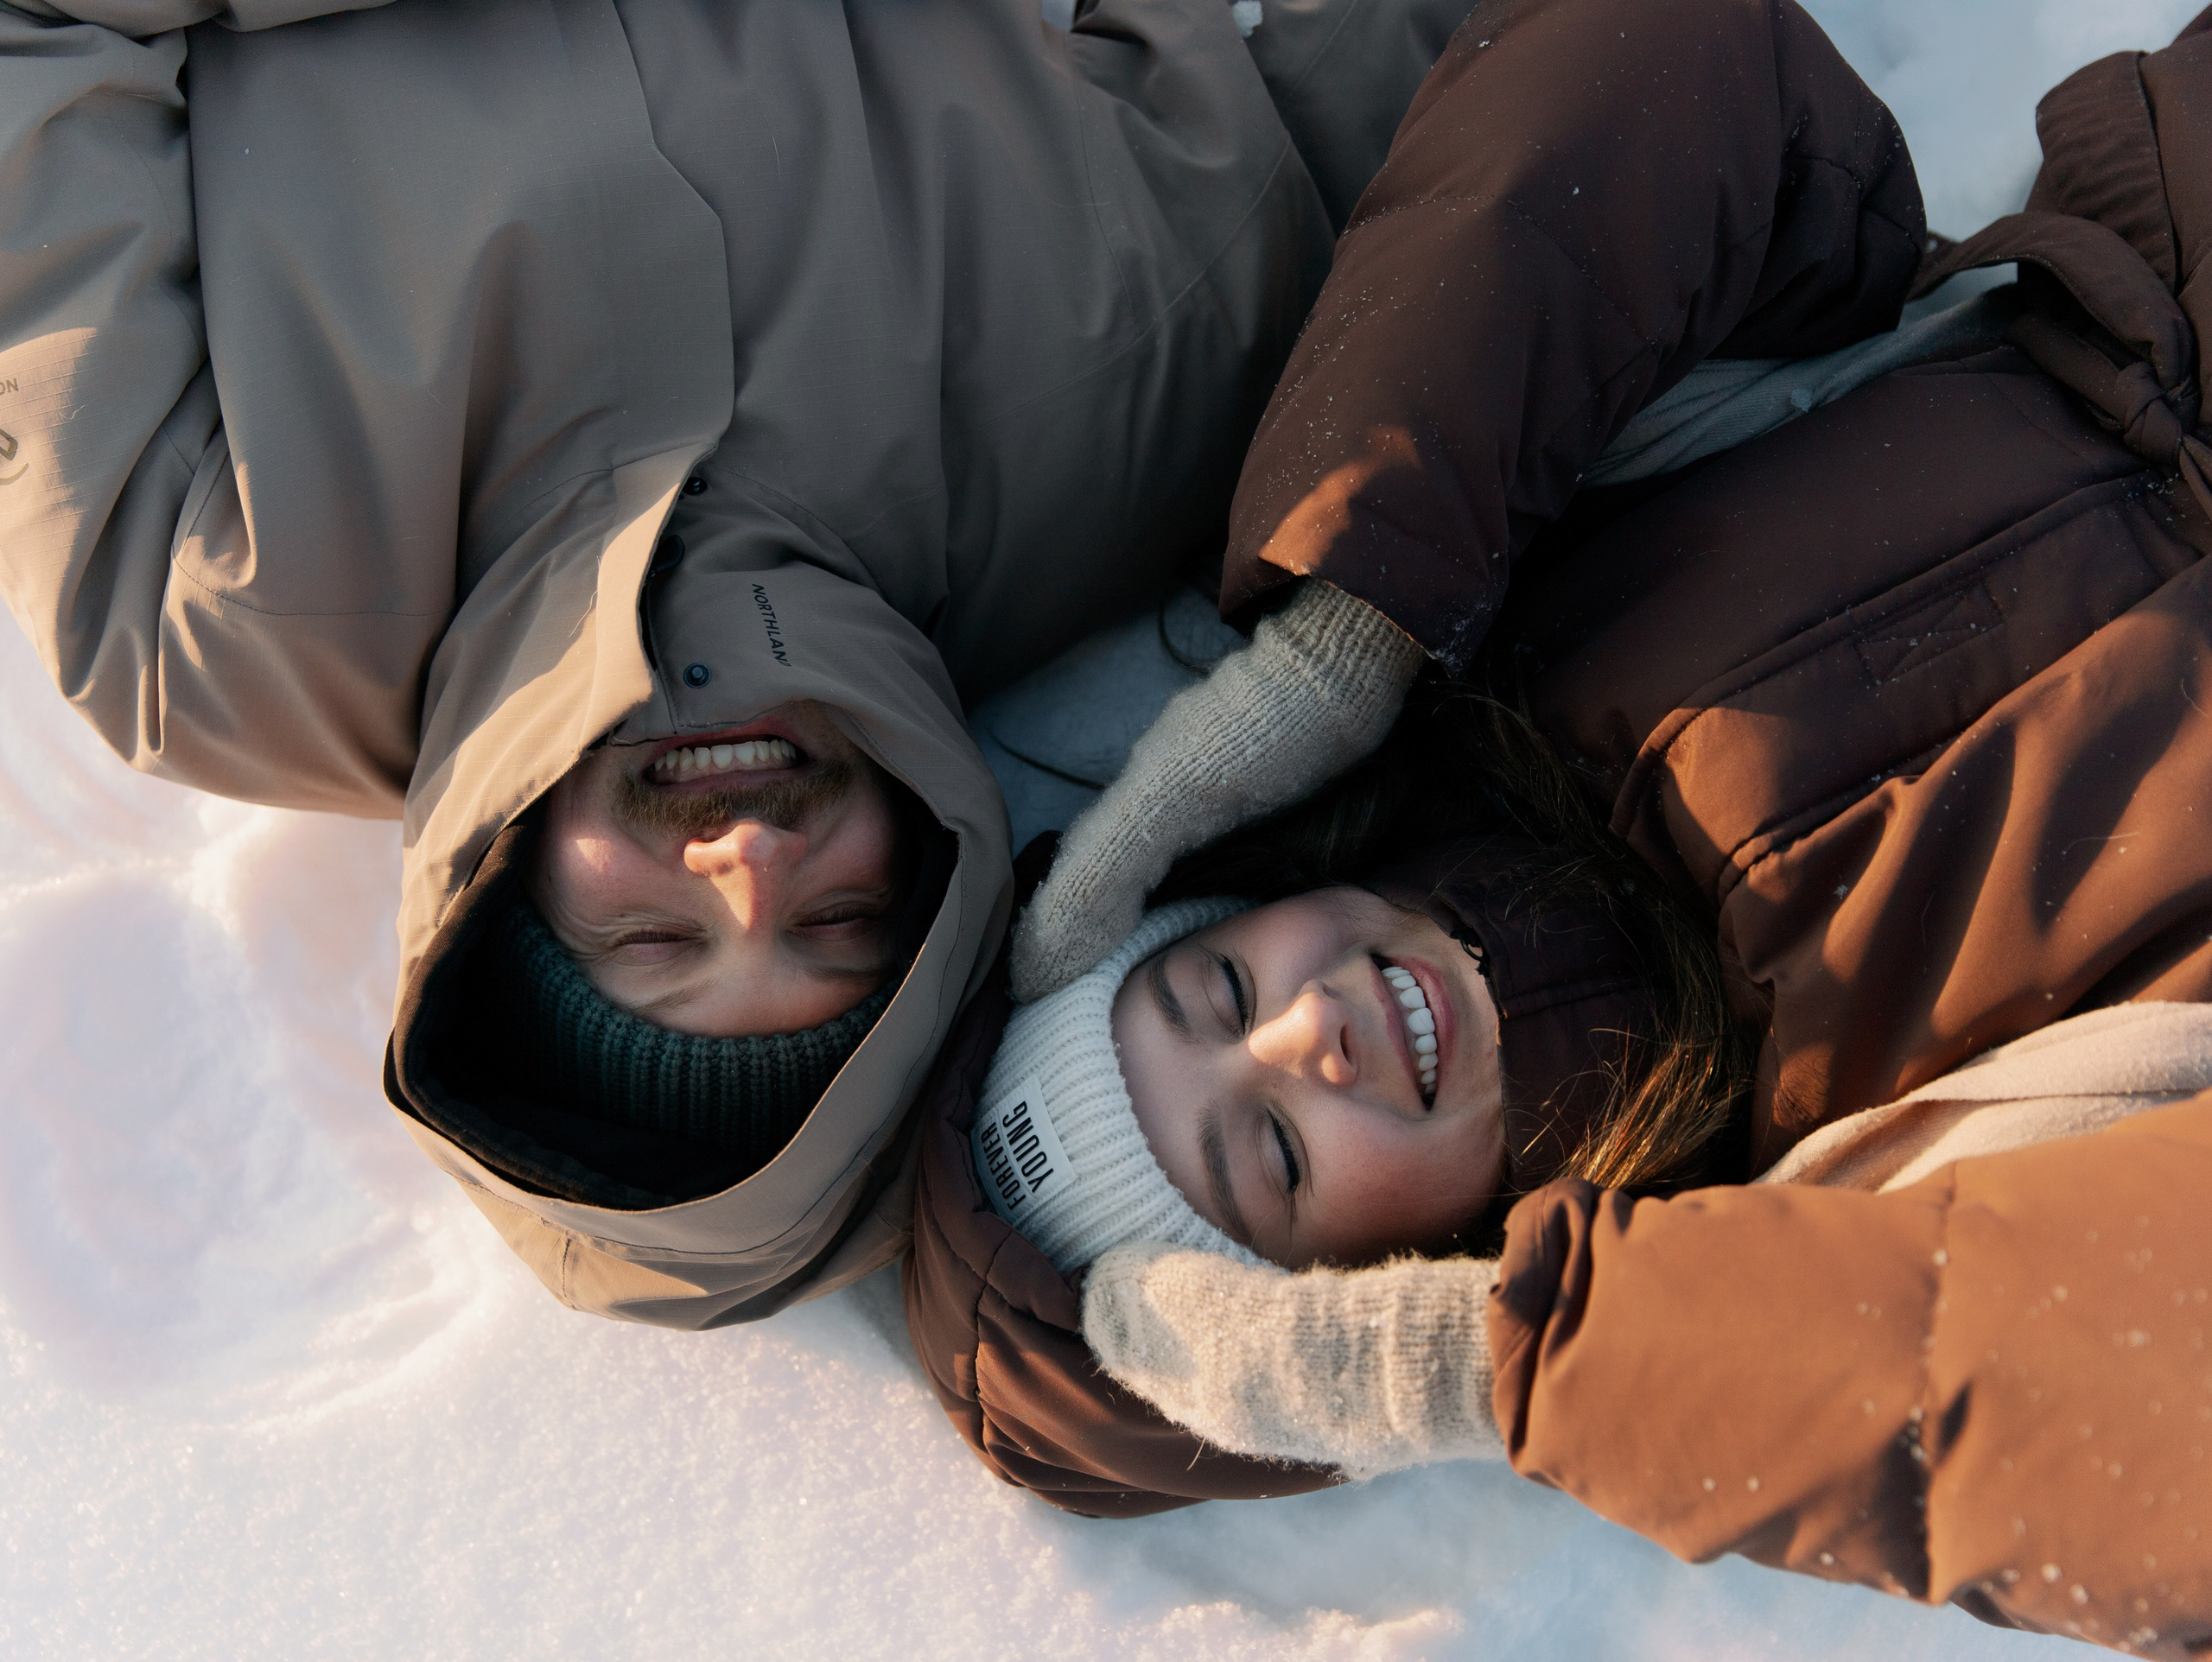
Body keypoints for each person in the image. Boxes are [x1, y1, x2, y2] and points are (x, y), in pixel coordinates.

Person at [908, 0, 2212, 1646]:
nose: (1309, 1030)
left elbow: (1671, 66)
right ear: (1370, 1300)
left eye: (1217, 988)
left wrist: (1351, 617)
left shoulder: (1518, 595)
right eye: (1277, 1157)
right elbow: (2138, 1410)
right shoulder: (1857, 1202)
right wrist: (1532, 1359)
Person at [0, 0, 1477, 1324]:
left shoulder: (202, 612)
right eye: (839, 922)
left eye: (654, 944)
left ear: (499, 902)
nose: (752, 867)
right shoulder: (1144, 429)